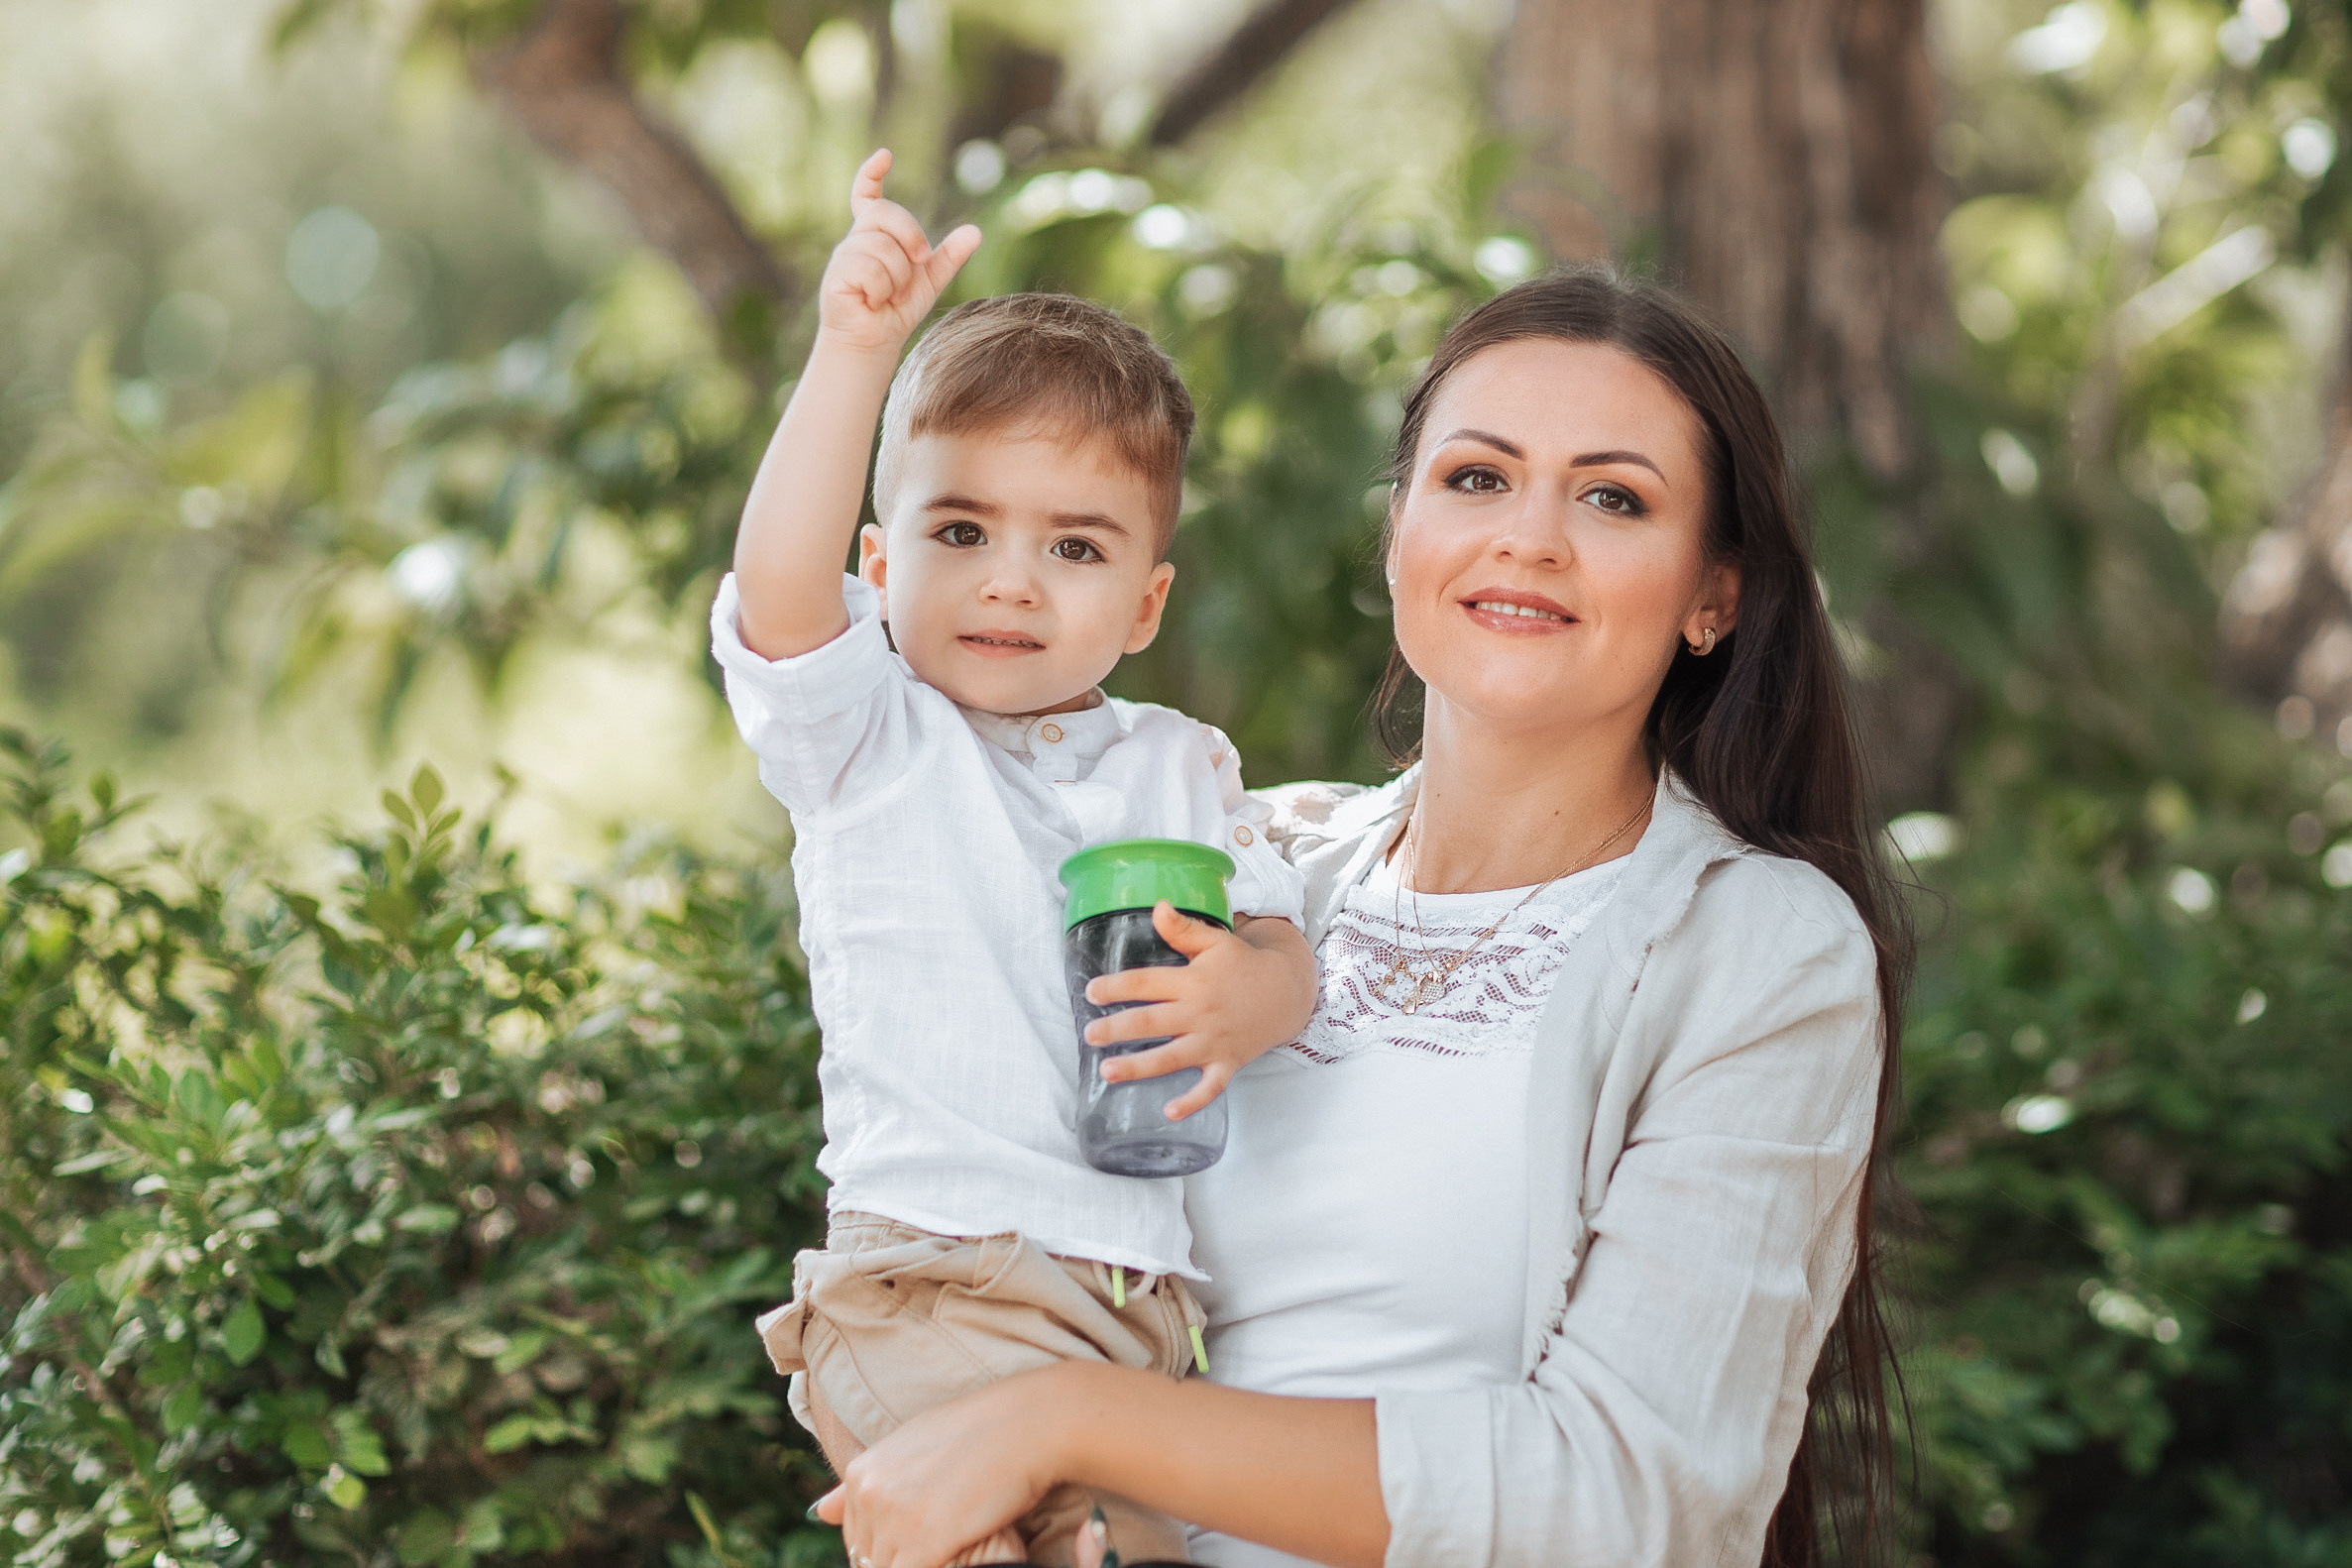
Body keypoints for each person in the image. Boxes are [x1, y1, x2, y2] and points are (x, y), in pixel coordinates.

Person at [808, 267, 1912, 1568]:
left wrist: (1065, 1420)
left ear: (1712, 593)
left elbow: (1623, 1498)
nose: (1530, 538)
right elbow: (961, 1192)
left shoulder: (1759, 950)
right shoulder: (1229, 862)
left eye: (1612, 497)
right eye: (1476, 478)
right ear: (1397, 534)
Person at [712, 150, 1317, 1567]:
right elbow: (779, 590)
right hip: (934, 1283)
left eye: (1075, 546)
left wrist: (1255, 993)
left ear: (1147, 598)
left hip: (1138, 1311)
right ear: (879, 564)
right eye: (962, 528)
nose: (1008, 577)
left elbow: (1278, 934)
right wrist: (853, 352)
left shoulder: (1180, 760)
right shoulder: (869, 739)